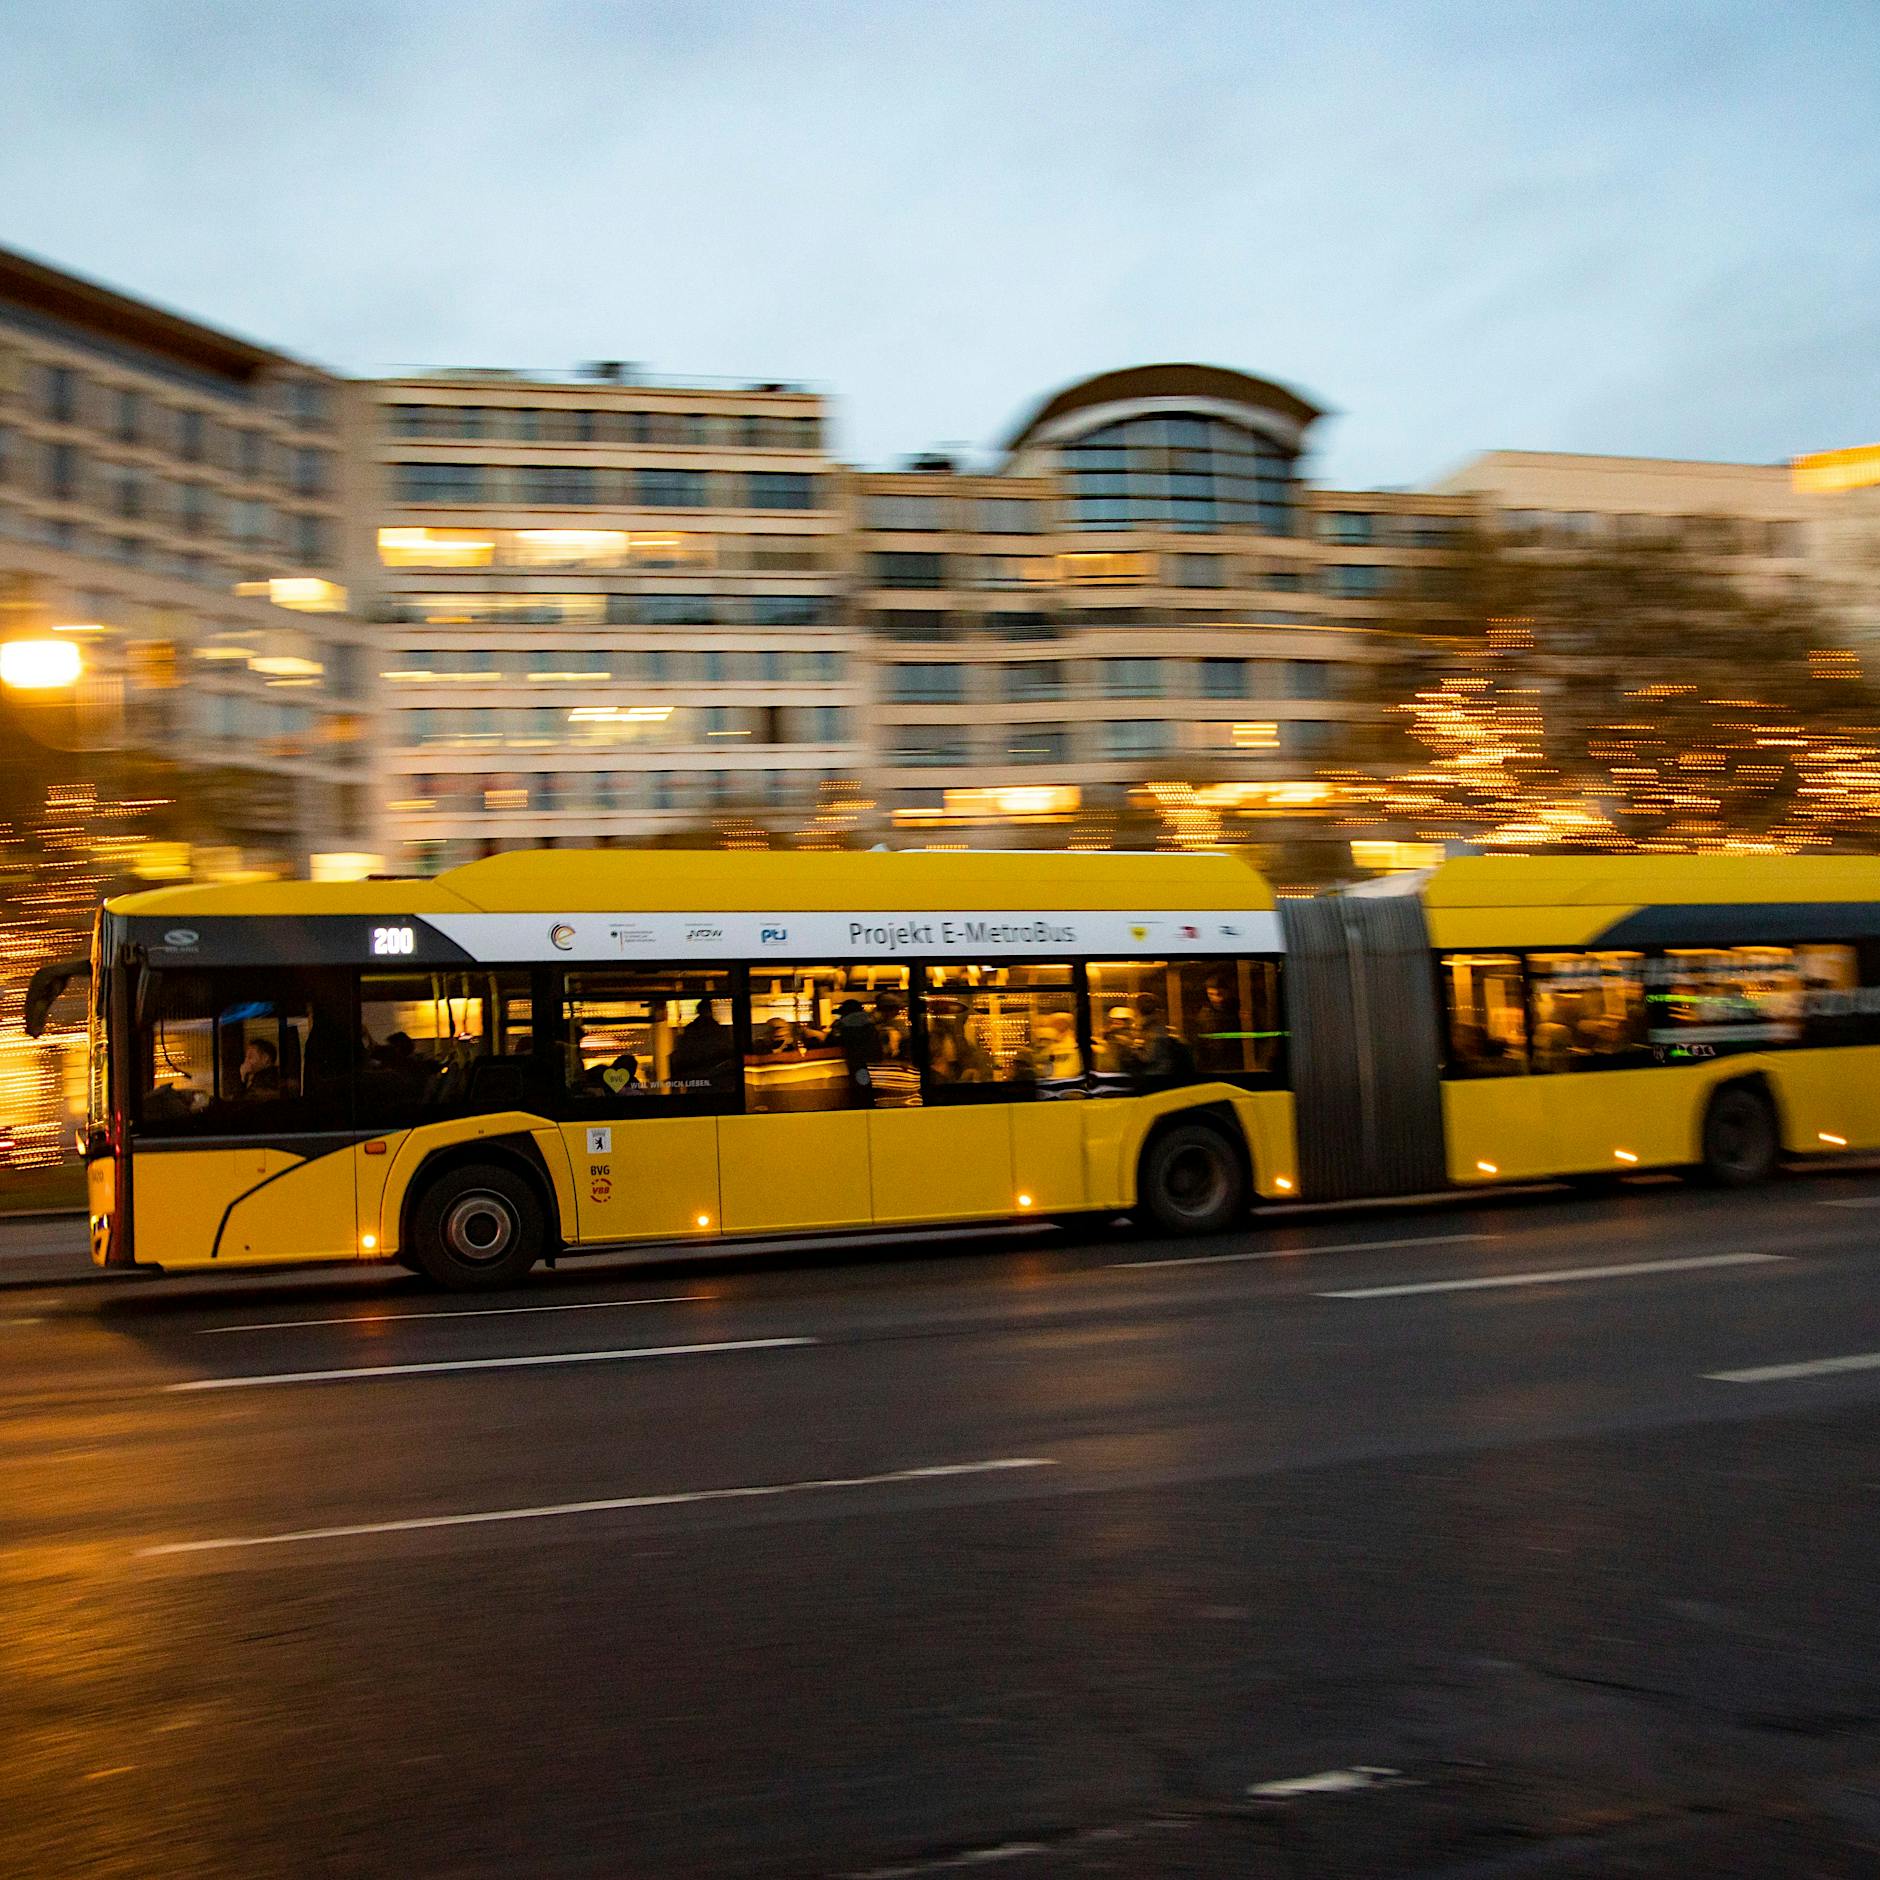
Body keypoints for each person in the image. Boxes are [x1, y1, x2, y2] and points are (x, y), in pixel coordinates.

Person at [669, 997, 734, 1090]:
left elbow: (683, 1052)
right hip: (716, 1079)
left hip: (695, 1078)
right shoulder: (720, 1031)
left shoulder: (691, 1030)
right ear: (710, 1011)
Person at [238, 1036, 281, 1100]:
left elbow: (243, 1101)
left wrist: (242, 1078)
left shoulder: (266, 1079)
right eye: (246, 1057)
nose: (246, 1061)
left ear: (265, 1058)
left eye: (250, 1057)